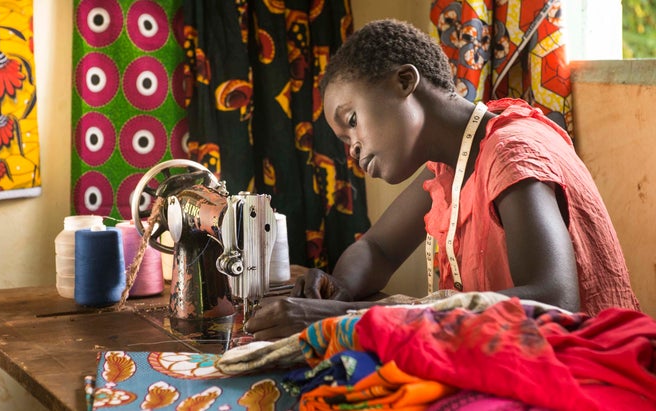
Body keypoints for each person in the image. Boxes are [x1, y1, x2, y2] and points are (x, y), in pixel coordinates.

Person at [244, 18, 641, 341]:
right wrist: (334, 290)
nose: (352, 150)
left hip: (588, 366)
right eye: (345, 141)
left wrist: (346, 317)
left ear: (404, 82)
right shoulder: (449, 165)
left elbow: (554, 304)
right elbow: (378, 249)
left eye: (352, 122)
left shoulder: (511, 152)